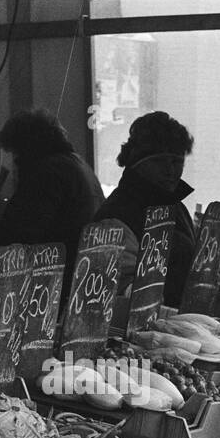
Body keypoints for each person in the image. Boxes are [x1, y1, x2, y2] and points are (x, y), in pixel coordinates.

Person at [0, 110, 104, 268]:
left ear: (28, 148)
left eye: (16, 153)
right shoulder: (77, 163)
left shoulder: (47, 173)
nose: (16, 162)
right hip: (84, 267)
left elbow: (21, 230)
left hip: (58, 272)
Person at [93, 111, 197, 306]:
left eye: (177, 162)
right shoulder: (115, 219)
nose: (171, 171)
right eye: (160, 162)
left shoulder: (175, 207)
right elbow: (125, 288)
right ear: (137, 163)